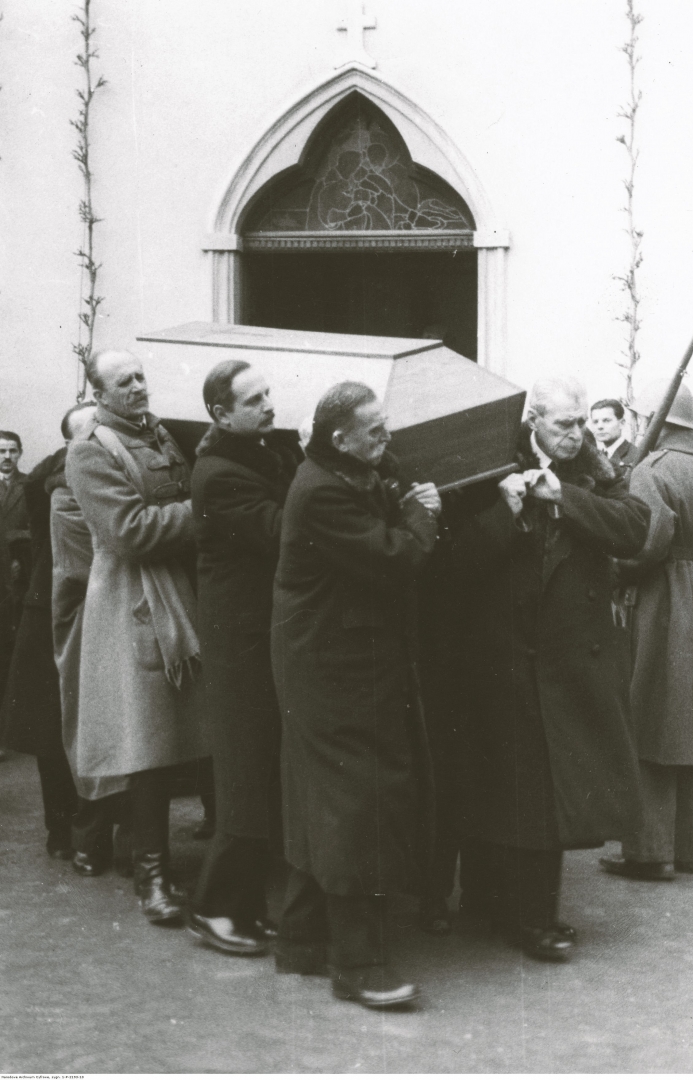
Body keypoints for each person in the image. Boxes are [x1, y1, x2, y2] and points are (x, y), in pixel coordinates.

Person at [452, 375, 650, 961]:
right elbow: (454, 560)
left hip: (565, 661)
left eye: (583, 421)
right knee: (499, 786)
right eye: (565, 423)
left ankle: (534, 919)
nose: (578, 432)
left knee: (543, 796)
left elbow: (634, 527)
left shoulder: (592, 470)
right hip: (499, 657)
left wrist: (563, 495)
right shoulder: (490, 465)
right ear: (533, 420)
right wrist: (509, 506)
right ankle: (486, 904)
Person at [271, 381, 440, 1009]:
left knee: (330, 801)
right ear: (340, 438)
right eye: (376, 431)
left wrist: (402, 496)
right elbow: (394, 556)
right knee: (355, 806)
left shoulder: (340, 470)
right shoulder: (322, 491)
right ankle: (357, 963)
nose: (387, 438)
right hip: (332, 670)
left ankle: (301, 941)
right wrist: (423, 515)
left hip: (337, 662)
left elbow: (382, 502)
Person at [66, 349, 208, 925]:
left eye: (141, 376)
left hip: (182, 593)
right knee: (147, 745)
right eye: (124, 382)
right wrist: (207, 510)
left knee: (189, 735)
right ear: (99, 393)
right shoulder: (89, 450)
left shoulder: (158, 432)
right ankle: (151, 878)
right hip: (135, 603)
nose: (139, 387)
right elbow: (129, 533)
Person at [601, 381, 693, 881]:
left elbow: (646, 544)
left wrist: (615, 572)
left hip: (661, 603)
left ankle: (649, 852)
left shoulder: (653, 470)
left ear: (656, 419)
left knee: (652, 717)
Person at [186, 360, 301, 955]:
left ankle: (244, 909)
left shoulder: (259, 454)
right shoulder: (219, 475)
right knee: (245, 780)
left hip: (261, 635)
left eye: (268, 394)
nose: (269, 405)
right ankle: (214, 909)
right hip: (240, 644)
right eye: (254, 400)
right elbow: (284, 531)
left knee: (258, 773)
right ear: (221, 414)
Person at [50, 402, 132, 875]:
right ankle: (92, 842)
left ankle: (133, 841)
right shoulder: (64, 495)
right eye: (88, 432)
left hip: (117, 611)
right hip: (87, 619)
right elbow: (90, 562)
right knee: (93, 728)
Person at [1, 432, 79, 858]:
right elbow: (35, 484)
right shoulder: (45, 487)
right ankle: (60, 828)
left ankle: (92, 828)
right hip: (46, 611)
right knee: (51, 729)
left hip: (90, 611)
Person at [0, 431, 30, 709]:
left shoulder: (30, 486)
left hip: (18, 575)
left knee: (14, 644)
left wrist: (18, 551)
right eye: (1, 451)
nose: (7, 457)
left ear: (20, 453)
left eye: (12, 451)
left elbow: (37, 530)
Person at [589, 399, 637, 474]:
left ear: (622, 423)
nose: (600, 426)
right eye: (595, 422)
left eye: (606, 421)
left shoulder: (635, 456)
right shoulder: (597, 457)